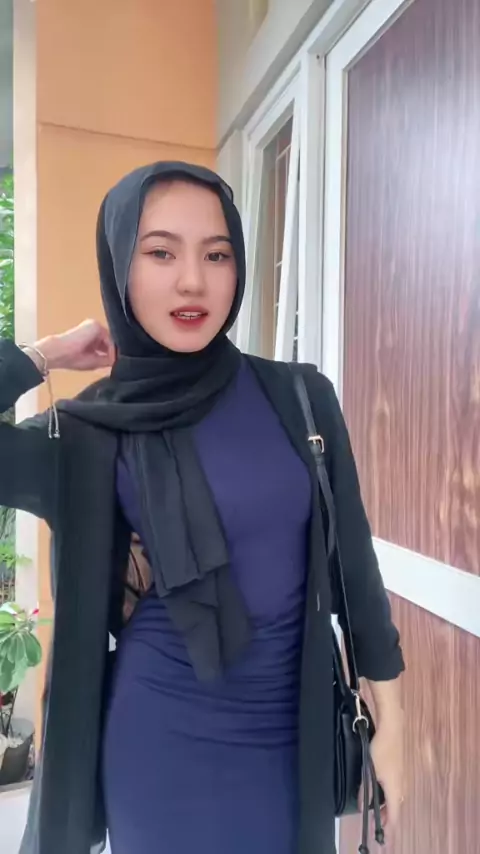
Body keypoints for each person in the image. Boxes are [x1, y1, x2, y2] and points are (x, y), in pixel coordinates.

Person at [0, 161, 405, 854]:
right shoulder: (87, 434)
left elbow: (355, 572)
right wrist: (44, 354)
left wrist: (392, 725)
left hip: (296, 739)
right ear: (119, 266)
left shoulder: (300, 398)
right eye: (161, 253)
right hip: (159, 745)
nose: (193, 281)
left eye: (217, 255)